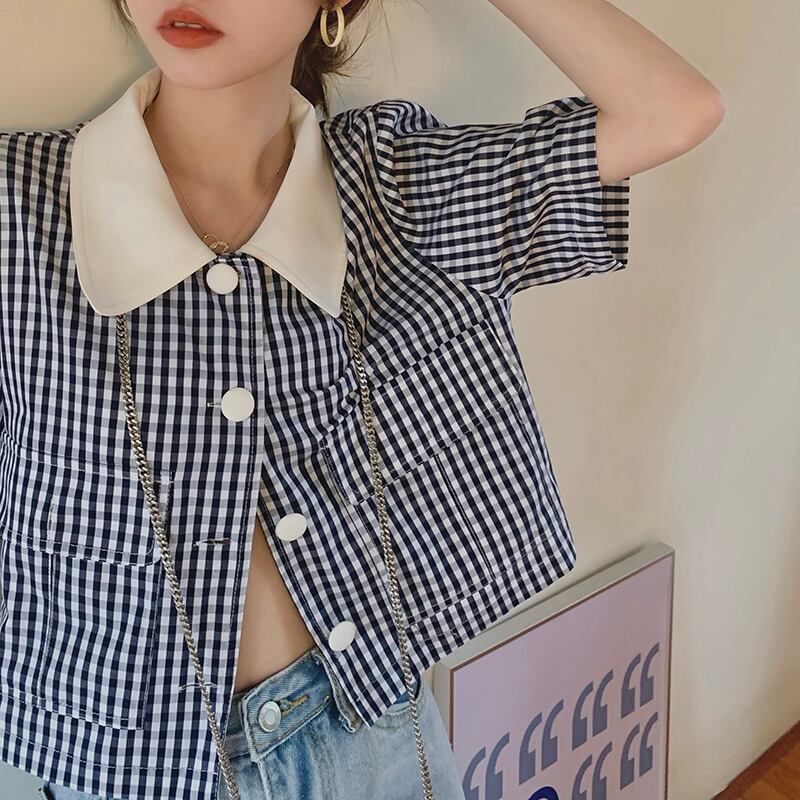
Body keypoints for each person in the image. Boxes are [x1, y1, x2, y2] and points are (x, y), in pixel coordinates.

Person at [0, 1, 724, 799]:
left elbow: (672, 111)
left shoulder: (392, 188)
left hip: (373, 736)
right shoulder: (20, 209)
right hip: (127, 768)